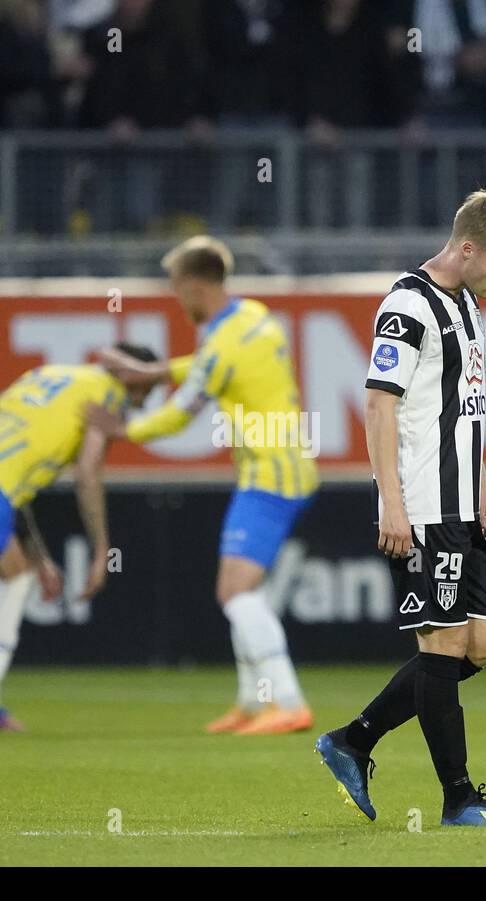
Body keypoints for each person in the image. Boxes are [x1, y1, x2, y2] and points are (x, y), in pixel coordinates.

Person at [315, 190, 486, 827]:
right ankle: (458, 800)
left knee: (483, 644)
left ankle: (353, 740)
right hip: (423, 503)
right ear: (468, 248)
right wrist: (391, 500)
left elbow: (468, 408)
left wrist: (483, 486)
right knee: (442, 647)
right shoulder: (408, 304)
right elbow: (378, 404)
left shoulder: (467, 305)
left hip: (464, 503)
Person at [88, 236, 318, 735]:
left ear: (193, 285)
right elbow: (213, 366)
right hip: (286, 466)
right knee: (240, 590)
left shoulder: (222, 342)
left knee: (235, 593)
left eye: (176, 289)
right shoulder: (251, 316)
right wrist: (155, 369)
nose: (177, 299)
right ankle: (253, 703)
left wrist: (122, 430)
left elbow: (180, 413)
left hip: (269, 474)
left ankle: (290, 702)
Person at [0, 349, 161, 731]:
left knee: (17, 577)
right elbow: (87, 474)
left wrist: (38, 557)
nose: (139, 405)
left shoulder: (52, 374)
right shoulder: (107, 397)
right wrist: (103, 550)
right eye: (144, 392)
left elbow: (12, 471)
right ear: (131, 378)